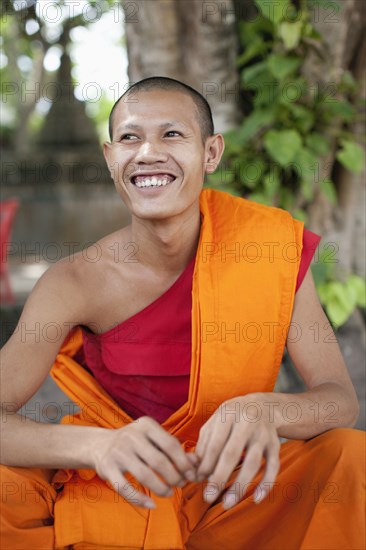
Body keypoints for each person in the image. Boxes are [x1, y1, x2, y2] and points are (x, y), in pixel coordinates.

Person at [0, 76, 364, 550]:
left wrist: (268, 408)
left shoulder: (266, 249)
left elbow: (341, 400)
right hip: (121, 485)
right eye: (130, 137)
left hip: (235, 488)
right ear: (111, 158)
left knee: (349, 457)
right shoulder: (75, 282)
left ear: (211, 153)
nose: (148, 152)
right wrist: (95, 445)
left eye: (172, 134)